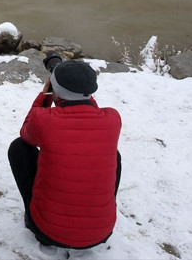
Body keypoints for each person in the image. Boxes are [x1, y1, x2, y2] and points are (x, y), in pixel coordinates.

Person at [8, 52, 122, 249]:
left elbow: (27, 135)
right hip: (101, 233)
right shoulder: (112, 119)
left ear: (56, 90)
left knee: (19, 147)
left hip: (47, 232)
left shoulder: (45, 120)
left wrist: (46, 94)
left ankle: (31, 218)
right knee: (114, 155)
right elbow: (86, 115)